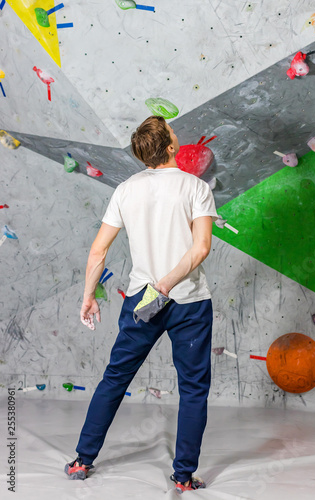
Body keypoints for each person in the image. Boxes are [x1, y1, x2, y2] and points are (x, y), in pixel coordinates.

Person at [64, 116, 218, 493]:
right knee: (194, 388)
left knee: (115, 378)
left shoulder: (126, 189)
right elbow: (200, 248)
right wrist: (168, 282)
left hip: (141, 300)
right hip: (189, 302)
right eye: (172, 132)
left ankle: (83, 460)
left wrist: (88, 296)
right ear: (169, 147)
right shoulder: (195, 187)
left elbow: (98, 250)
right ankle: (183, 477)